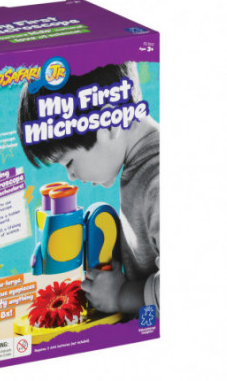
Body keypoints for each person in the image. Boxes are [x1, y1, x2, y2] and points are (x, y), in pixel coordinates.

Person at [17, 62, 159, 316]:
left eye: (69, 162)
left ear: (109, 124)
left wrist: (121, 295)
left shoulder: (158, 181)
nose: (71, 176)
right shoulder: (139, 166)